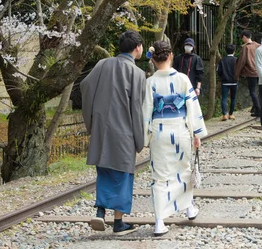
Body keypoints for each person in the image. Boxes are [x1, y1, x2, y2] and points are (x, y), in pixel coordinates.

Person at [80, 30, 146, 235]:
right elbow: (137, 108)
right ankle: (118, 223)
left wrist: (91, 120)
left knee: (105, 170)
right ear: (137, 48)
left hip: (102, 128)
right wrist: (140, 139)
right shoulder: (137, 74)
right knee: (123, 175)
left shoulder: (102, 64)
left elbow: (85, 86)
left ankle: (100, 212)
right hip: (124, 131)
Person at [142, 40, 208, 236]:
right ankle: (188, 208)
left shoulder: (150, 82)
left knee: (160, 176)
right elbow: (192, 107)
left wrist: (145, 138)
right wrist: (197, 133)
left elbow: (146, 112)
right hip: (180, 131)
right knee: (183, 170)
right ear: (171, 56)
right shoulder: (182, 80)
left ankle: (159, 221)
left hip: (160, 132)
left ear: (152, 60)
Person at [234, 30, 261, 117]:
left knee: (252, 91)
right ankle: (256, 108)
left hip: (251, 72)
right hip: (260, 71)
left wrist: (237, 74)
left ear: (244, 37)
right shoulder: (258, 45)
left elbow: (242, 61)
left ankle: (258, 109)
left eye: (242, 38)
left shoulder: (246, 48)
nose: (242, 40)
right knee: (259, 91)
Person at [217, 43, 238, 121]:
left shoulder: (222, 60)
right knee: (233, 98)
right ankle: (231, 114)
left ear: (226, 51)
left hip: (225, 82)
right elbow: (239, 70)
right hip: (234, 82)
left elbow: (218, 71)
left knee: (224, 98)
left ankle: (224, 115)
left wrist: (222, 77)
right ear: (234, 51)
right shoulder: (236, 60)